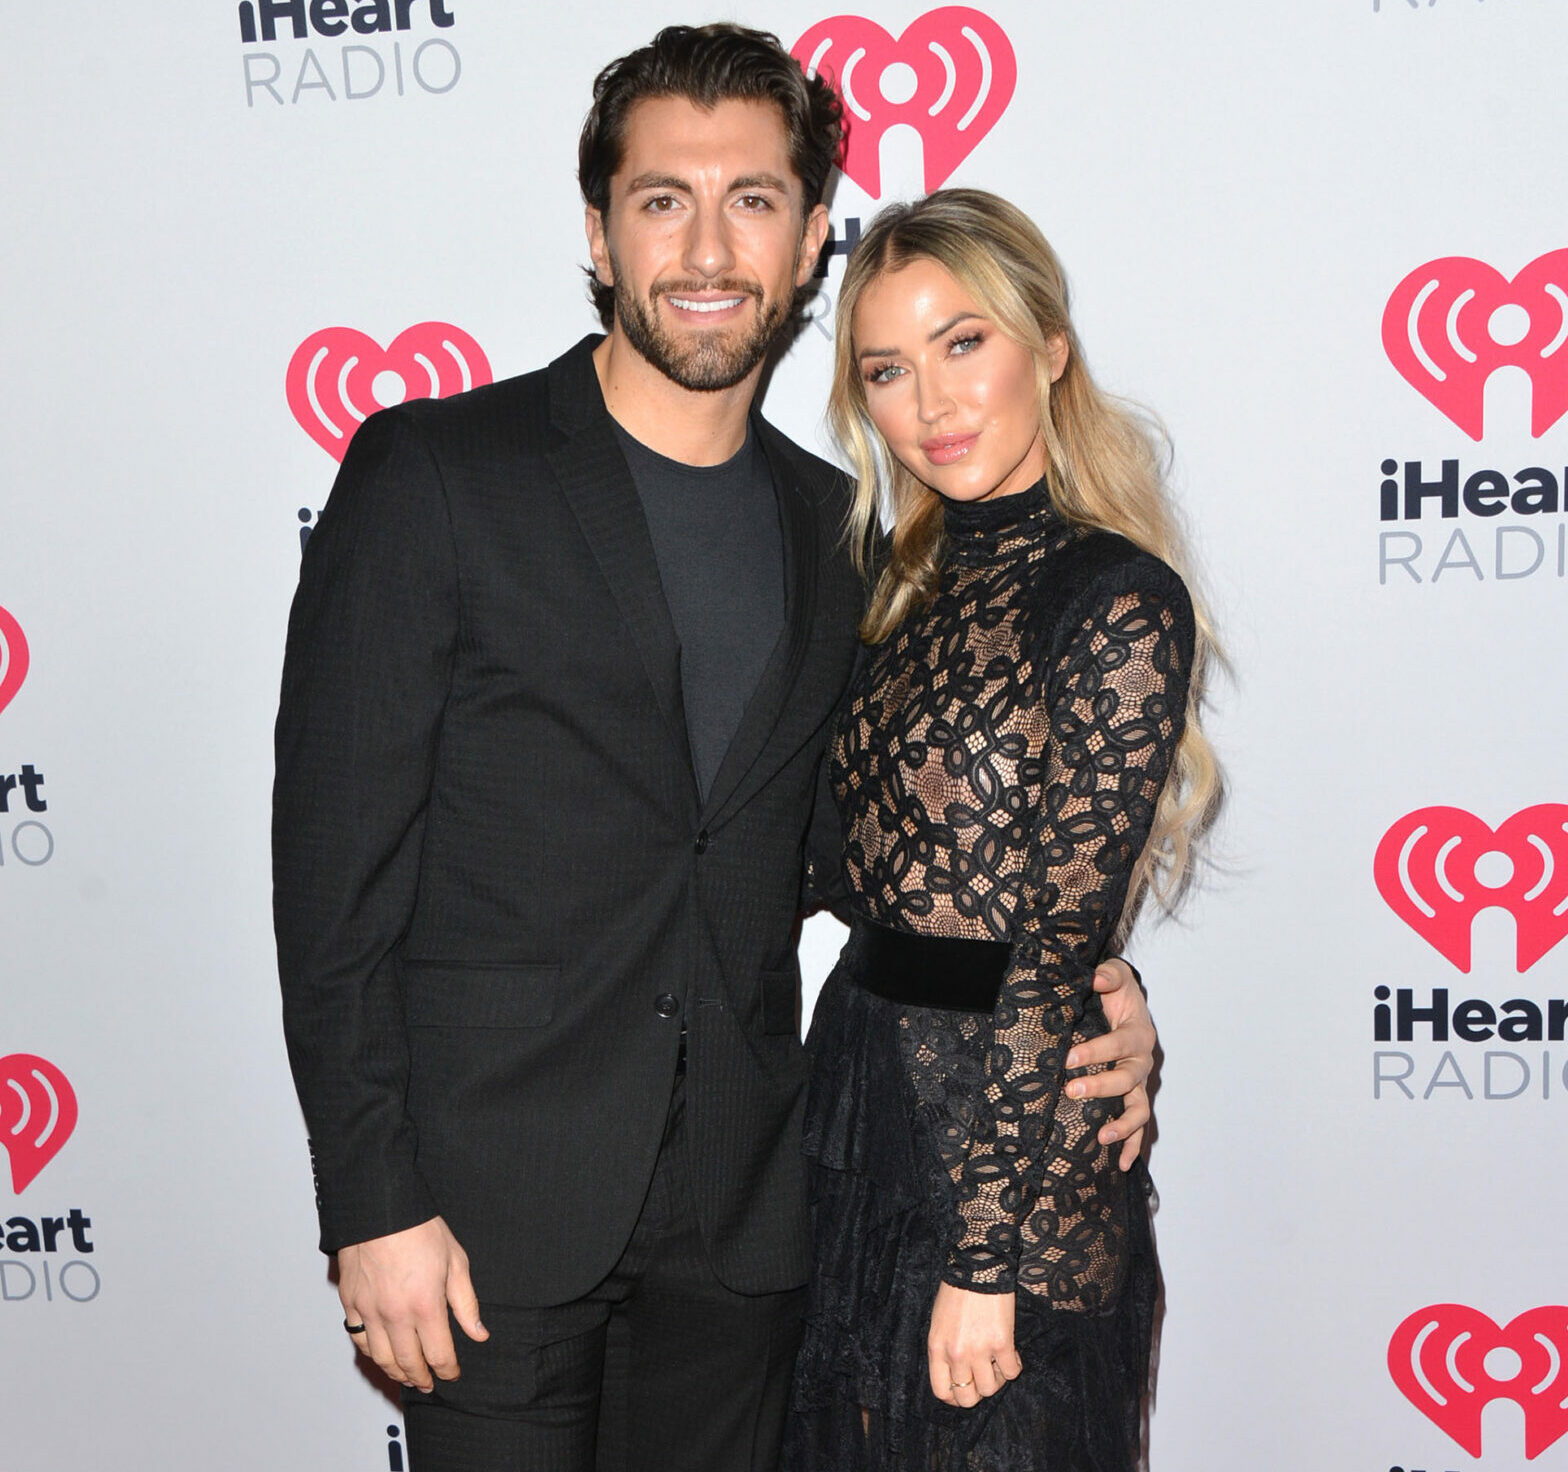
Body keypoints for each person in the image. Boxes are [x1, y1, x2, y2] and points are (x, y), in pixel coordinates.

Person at [272, 27, 1161, 1472]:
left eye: (751, 198)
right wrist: (370, 1202)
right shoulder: (436, 474)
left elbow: (886, 851)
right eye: (661, 198)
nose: (706, 245)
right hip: (487, 1223)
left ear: (814, 237)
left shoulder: (846, 535)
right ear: (599, 230)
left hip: (755, 1225)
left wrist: (1094, 1002)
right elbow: (333, 883)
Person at [785, 190, 1221, 1472]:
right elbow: (827, 867)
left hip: (1016, 1157)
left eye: (962, 341)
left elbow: (1049, 940)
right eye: (887, 368)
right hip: (858, 1104)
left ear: (1049, 345)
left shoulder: (1114, 598)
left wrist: (983, 1262)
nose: (931, 399)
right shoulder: (881, 588)